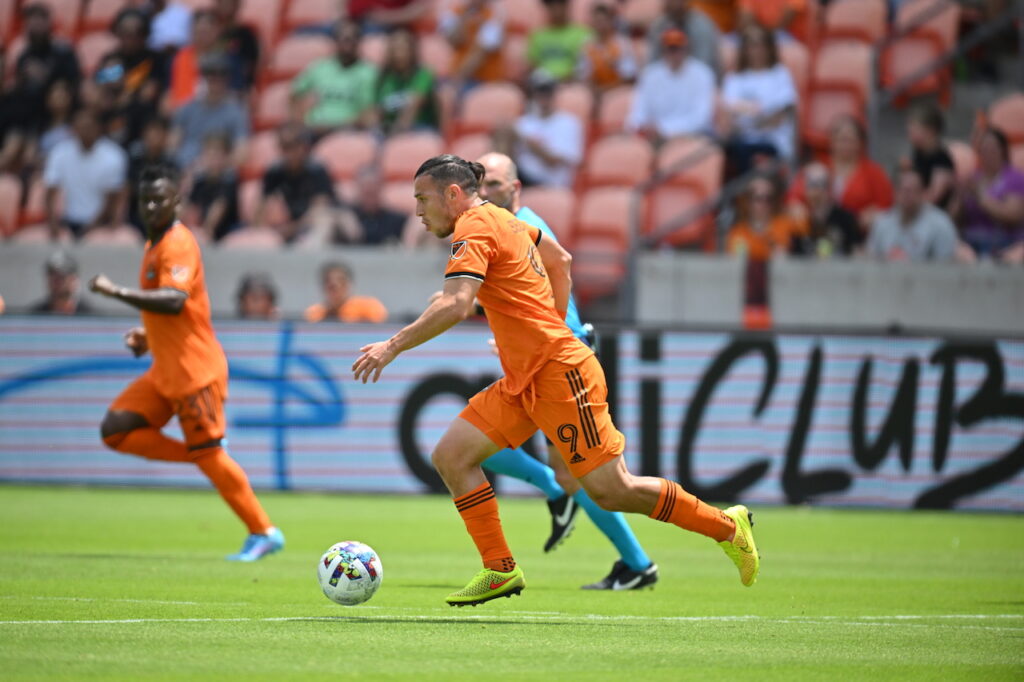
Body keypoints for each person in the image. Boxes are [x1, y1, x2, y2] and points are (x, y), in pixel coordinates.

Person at [352, 155, 759, 606]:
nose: (417, 211)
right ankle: (499, 569)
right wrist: (551, 320)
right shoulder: (507, 220)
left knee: (611, 489)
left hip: (561, 376)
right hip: (525, 379)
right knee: (452, 456)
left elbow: (456, 303)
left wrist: (391, 346)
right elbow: (560, 261)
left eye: (422, 199)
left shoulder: (474, 228)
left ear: (452, 194)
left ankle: (728, 527)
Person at [476, 152, 658, 589]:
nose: (485, 193)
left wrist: (552, 336)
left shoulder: (521, 227)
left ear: (515, 188)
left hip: (559, 359)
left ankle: (650, 554)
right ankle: (635, 562)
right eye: (479, 184)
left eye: (495, 184)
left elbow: (560, 277)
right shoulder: (503, 229)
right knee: (567, 473)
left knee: (588, 479)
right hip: (549, 356)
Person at [87, 162, 284, 561]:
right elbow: (178, 308)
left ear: (177, 200)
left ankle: (264, 531)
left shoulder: (178, 243)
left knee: (208, 452)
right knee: (115, 430)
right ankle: (202, 452)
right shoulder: (153, 244)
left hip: (195, 371)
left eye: (160, 198)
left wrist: (116, 292)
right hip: (165, 369)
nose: (151, 206)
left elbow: (175, 300)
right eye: (145, 199)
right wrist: (149, 335)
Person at [256, 123, 360, 244]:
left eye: (292, 146)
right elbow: (261, 205)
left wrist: (290, 229)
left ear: (303, 147)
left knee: (325, 222)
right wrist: (258, 231)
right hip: (299, 223)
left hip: (332, 216)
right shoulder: (275, 172)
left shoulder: (317, 170)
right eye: (284, 147)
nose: (288, 153)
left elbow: (318, 209)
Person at [789, 115, 893, 234]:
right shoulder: (817, 168)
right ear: (832, 140)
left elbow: (886, 205)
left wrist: (875, 214)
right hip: (819, 231)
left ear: (860, 143)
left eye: (850, 140)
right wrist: (798, 207)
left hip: (859, 234)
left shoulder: (874, 172)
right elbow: (794, 197)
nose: (845, 145)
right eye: (841, 139)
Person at [721, 24, 797, 172]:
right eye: (752, 45)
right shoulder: (734, 79)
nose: (757, 50)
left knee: (743, 150)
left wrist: (748, 124)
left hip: (773, 141)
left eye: (761, 44)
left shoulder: (780, 74)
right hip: (741, 140)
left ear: (770, 47)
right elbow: (729, 116)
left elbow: (779, 118)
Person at [44, 108, 127, 239]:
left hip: (99, 225)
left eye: (89, 127)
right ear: (73, 129)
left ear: (98, 128)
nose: (84, 131)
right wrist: (53, 224)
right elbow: (50, 192)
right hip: (66, 221)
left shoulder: (113, 156)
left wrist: (89, 229)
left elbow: (111, 200)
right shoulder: (59, 153)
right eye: (80, 127)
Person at [626, 29, 716, 143]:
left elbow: (701, 118)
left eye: (678, 48)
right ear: (663, 51)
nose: (675, 53)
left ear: (686, 49)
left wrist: (664, 129)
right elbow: (638, 111)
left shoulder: (702, 74)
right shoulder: (650, 74)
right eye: (670, 49)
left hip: (691, 138)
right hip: (654, 139)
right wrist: (639, 127)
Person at [291, 19, 378, 135]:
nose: (348, 43)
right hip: (314, 128)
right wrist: (300, 121)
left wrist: (336, 127)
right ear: (335, 42)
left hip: (348, 130)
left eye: (352, 39)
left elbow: (368, 112)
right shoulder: (320, 67)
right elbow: (294, 94)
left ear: (359, 42)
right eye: (343, 39)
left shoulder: (369, 72)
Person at [170, 54, 249, 171]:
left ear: (227, 78)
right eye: (211, 74)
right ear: (204, 77)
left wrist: (213, 165)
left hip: (216, 174)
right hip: (183, 169)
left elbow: (241, 153)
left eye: (221, 74)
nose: (216, 79)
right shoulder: (187, 108)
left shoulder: (236, 112)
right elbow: (172, 145)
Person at [957, 127, 1024, 258]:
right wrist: (959, 196)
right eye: (984, 149)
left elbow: (1013, 216)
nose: (987, 153)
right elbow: (957, 219)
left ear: (1003, 150)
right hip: (971, 242)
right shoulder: (974, 179)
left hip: (1005, 244)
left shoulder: (1015, 178)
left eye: (992, 148)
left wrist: (981, 197)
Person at [867, 166, 958, 262]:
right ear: (895, 192)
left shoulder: (941, 224)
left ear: (923, 193)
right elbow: (871, 259)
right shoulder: (882, 223)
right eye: (903, 190)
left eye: (913, 190)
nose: (907, 195)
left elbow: (945, 266)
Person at [512, 70, 584, 188]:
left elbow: (554, 161)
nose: (544, 96)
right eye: (540, 91)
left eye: (548, 91)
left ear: (555, 93)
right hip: (521, 183)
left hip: (550, 184)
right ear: (533, 94)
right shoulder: (522, 123)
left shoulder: (569, 123)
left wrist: (527, 142)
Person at [374, 29, 441, 136]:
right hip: (388, 128)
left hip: (418, 128)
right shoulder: (384, 78)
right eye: (394, 49)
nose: (398, 54)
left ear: (412, 50)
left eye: (402, 48)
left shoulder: (423, 74)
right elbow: (377, 111)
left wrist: (397, 132)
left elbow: (413, 107)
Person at [792, 162, 861, 258]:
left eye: (821, 184)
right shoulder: (799, 220)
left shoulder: (846, 218)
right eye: (811, 184)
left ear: (830, 188)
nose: (816, 191)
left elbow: (856, 252)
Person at [183, 134, 241, 242]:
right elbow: (189, 209)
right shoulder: (199, 182)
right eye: (208, 153)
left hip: (226, 233)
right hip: (201, 230)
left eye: (217, 154)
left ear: (226, 157)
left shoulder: (230, 181)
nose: (212, 158)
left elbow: (219, 208)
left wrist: (207, 230)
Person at [439, 0, 506, 90]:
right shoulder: (460, 10)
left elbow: (480, 54)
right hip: (457, 73)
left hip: (483, 80)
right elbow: (455, 41)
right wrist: (463, 18)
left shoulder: (495, 14)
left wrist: (456, 80)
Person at [127, 116, 177, 233]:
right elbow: (128, 191)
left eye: (158, 134)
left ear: (165, 137)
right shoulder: (135, 162)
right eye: (151, 133)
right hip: (136, 216)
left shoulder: (171, 165)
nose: (154, 138)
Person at [168, 9, 227, 109]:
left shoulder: (226, 60)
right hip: (183, 112)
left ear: (216, 32)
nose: (202, 37)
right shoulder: (180, 57)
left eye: (206, 32)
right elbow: (171, 91)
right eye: (199, 32)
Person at [646, 0, 721, 76]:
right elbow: (653, 63)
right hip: (667, 78)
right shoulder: (659, 26)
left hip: (696, 79)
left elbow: (704, 64)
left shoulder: (702, 26)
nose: (675, 3)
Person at [577, 2, 637, 93]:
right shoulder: (587, 45)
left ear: (611, 21)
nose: (600, 25)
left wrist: (606, 89)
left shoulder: (622, 44)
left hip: (618, 91)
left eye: (603, 21)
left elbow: (629, 78)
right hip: (595, 92)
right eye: (597, 21)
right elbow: (583, 76)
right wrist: (594, 89)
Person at [527, 0, 592, 83]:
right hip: (543, 85)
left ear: (567, 6)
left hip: (572, 84)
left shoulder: (582, 34)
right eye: (552, 5)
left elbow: (585, 66)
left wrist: (569, 78)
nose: (556, 9)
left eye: (560, 4)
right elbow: (532, 65)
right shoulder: (538, 35)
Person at [906, 103, 955, 211]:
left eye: (914, 127)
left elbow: (934, 197)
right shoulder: (918, 153)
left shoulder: (942, 160)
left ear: (930, 130)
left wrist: (908, 202)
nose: (909, 131)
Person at [304, 262, 388, 323]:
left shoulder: (369, 307)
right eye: (329, 284)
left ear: (349, 284)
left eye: (341, 280)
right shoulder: (315, 314)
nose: (336, 286)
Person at [350, 165, 408, 245]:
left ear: (381, 189)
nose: (369, 198)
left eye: (373, 193)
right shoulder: (347, 216)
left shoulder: (397, 221)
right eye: (367, 193)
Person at [213, 0, 260, 90]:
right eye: (222, 2)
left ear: (237, 5)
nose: (225, 6)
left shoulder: (246, 34)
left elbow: (251, 65)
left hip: (236, 87)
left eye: (229, 3)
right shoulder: (210, 33)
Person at [31, 251, 94, 315]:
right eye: (52, 275)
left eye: (62, 277)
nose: (55, 281)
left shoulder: (90, 316)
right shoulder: (36, 315)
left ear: (74, 279)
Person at [737, 0, 809, 43]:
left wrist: (767, 35)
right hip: (760, 33)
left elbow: (787, 18)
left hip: (790, 36)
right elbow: (746, 17)